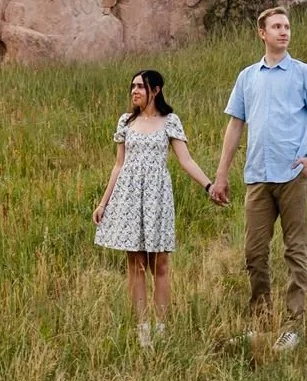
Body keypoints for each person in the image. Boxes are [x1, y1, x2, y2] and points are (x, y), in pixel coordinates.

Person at [208, 6, 307, 351]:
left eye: (287, 26)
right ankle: (261, 321)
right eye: (276, 26)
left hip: (292, 176)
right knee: (254, 252)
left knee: (296, 249)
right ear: (262, 33)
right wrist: (221, 175)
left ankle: (294, 324)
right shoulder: (248, 77)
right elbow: (235, 125)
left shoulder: (303, 73)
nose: (284, 31)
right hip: (257, 177)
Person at [93, 68, 217, 347]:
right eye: (132, 86)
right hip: (128, 197)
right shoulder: (126, 121)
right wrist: (104, 202)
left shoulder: (169, 121)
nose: (134, 91)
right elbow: (118, 165)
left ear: (156, 90)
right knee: (135, 264)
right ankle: (143, 328)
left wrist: (209, 186)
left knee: (159, 263)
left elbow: (186, 160)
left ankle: (161, 327)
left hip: (157, 196)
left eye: (140, 86)